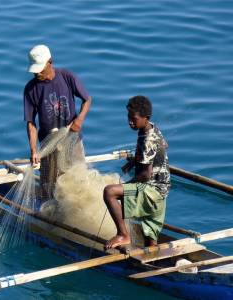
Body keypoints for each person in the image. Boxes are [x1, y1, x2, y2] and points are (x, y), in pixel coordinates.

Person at [23, 44, 92, 200]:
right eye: (35, 70)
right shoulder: (30, 89)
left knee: (77, 178)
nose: (37, 73)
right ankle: (49, 212)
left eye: (40, 69)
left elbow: (87, 99)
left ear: (50, 62)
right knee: (49, 183)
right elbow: (31, 123)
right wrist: (34, 149)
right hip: (48, 143)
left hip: (72, 139)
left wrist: (79, 119)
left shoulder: (67, 77)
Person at [103, 95, 170, 249]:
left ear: (146, 118)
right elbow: (164, 145)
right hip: (163, 188)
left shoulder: (147, 139)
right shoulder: (151, 128)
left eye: (133, 118)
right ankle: (153, 263)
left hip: (152, 190)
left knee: (110, 192)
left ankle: (123, 235)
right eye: (128, 117)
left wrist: (129, 183)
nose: (130, 121)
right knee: (150, 241)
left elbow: (146, 174)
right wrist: (134, 160)